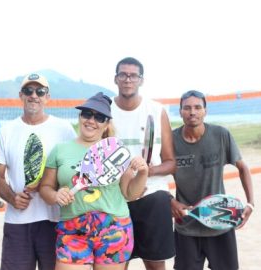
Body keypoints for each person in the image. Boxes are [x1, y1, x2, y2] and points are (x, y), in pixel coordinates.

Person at [39, 92, 149, 270]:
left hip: (114, 228)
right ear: (80, 117)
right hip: (73, 229)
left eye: (99, 117)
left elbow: (130, 193)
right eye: (87, 114)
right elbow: (45, 188)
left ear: (106, 124)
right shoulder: (61, 150)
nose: (91, 120)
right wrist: (56, 195)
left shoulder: (116, 150)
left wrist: (143, 173)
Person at [0, 73, 77, 270]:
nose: (34, 95)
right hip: (18, 220)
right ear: (20, 95)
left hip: (56, 219)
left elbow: (75, 168)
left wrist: (50, 185)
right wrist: (12, 198)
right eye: (28, 90)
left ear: (47, 97)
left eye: (40, 91)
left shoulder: (64, 129)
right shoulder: (7, 130)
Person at [170, 90, 255, 270]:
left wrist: (251, 203)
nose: (192, 112)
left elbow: (243, 168)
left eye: (197, 107)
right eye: (187, 108)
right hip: (186, 227)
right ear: (180, 112)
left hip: (221, 223)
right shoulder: (170, 140)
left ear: (205, 111)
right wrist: (170, 201)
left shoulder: (221, 135)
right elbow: (155, 178)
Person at [110, 57, 176, 270]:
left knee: (156, 266)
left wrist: (145, 173)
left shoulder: (156, 110)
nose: (128, 79)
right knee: (117, 265)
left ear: (141, 80)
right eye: (123, 75)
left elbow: (170, 163)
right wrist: (126, 180)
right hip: (115, 199)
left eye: (133, 75)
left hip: (152, 197)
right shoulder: (105, 110)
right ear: (116, 79)